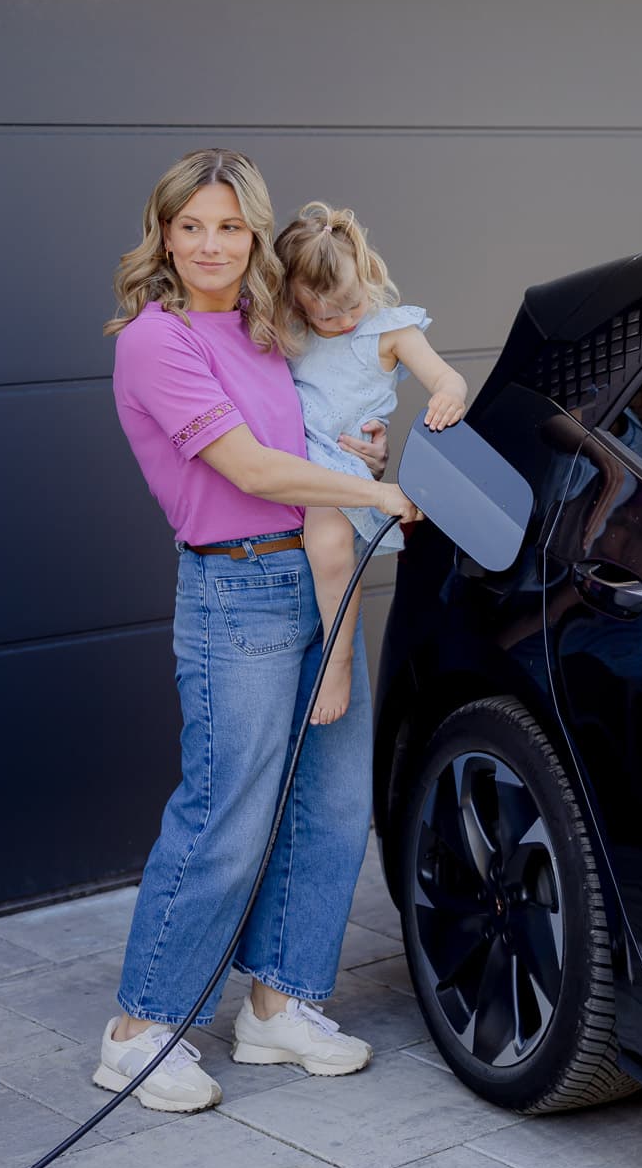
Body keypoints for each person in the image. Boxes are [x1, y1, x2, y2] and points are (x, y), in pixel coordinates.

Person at [94, 150, 420, 1113]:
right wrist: (377, 493)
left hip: (324, 574)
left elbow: (322, 430)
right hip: (237, 590)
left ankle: (277, 1007)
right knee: (226, 814)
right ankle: (140, 1031)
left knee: (330, 805)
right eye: (190, 226)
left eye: (229, 227)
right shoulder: (155, 342)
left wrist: (365, 451)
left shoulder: (268, 326)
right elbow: (250, 469)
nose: (210, 245)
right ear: (163, 236)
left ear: (253, 234)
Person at [274, 203, 467, 728]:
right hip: (298, 452)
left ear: (369, 272)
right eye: (328, 316)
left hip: (342, 462)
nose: (345, 321)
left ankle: (337, 663)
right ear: (297, 302)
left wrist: (448, 396)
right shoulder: (293, 331)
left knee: (329, 545)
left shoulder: (390, 330)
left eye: (353, 304)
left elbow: (447, 377)